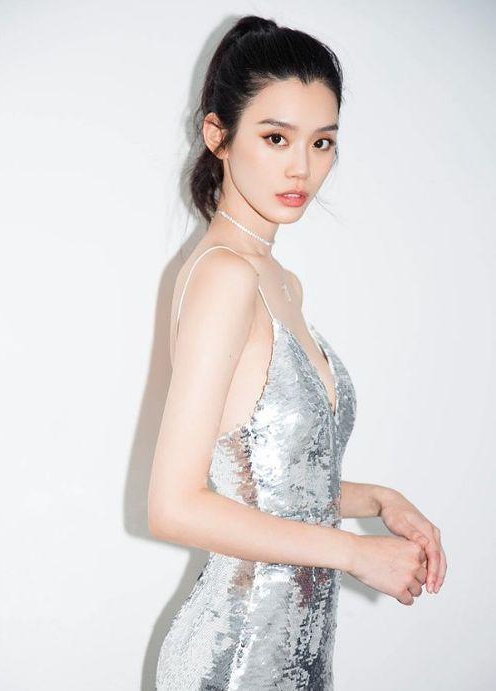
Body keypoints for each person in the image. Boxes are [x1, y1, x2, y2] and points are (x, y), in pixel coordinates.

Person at [148, 14, 446, 690]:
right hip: (235, 660)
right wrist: (354, 554)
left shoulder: (278, 281)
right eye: (275, 137)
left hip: (298, 658)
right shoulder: (224, 276)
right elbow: (174, 503)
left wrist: (380, 499)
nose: (302, 167)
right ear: (217, 135)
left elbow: (267, 486)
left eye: (322, 142)